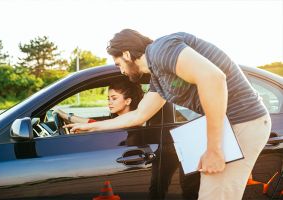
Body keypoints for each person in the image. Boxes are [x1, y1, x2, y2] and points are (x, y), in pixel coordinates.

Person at [65, 29, 271, 200]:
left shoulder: (162, 49)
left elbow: (213, 77)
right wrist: (91, 126)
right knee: (209, 193)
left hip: (243, 122)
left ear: (127, 54)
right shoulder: (158, 77)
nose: (121, 71)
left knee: (215, 196)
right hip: (230, 125)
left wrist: (214, 149)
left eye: (118, 64)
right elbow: (139, 116)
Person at [56, 77, 144, 125]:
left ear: (127, 101)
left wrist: (67, 116)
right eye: (108, 99)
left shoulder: (128, 122)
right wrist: (67, 116)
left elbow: (96, 124)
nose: (109, 102)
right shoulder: (118, 120)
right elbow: (96, 123)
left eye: (114, 98)